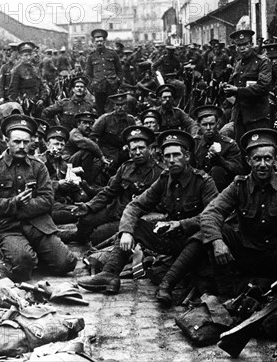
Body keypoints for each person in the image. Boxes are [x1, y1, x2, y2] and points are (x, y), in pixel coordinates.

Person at [78, 130, 218, 305]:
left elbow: (211, 216)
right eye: (167, 156)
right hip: (171, 239)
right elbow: (135, 205)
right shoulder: (164, 178)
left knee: (201, 236)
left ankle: (167, 286)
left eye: (176, 155)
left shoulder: (204, 181)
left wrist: (181, 224)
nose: (171, 160)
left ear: (187, 156)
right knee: (135, 226)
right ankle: (110, 274)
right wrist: (127, 231)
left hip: (194, 243)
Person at [200, 128, 277, 283]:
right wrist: (217, 241)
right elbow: (211, 213)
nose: (263, 164)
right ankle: (228, 287)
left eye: (268, 158)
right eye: (257, 159)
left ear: (275, 160)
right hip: (248, 255)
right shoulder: (239, 186)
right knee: (216, 232)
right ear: (248, 160)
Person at [0, 115, 77, 282]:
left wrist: (19, 209)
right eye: (16, 142)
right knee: (23, 263)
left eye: (26, 142)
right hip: (8, 228)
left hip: (39, 226)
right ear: (6, 140)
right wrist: (14, 203)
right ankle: (20, 255)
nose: (22, 146)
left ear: (32, 142)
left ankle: (37, 253)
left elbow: (47, 200)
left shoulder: (38, 166)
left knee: (66, 263)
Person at [67, 126, 164, 245]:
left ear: (149, 149)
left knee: (98, 235)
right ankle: (78, 237)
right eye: (134, 149)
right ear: (129, 151)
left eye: (141, 148)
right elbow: (109, 192)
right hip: (115, 209)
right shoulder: (125, 167)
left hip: (135, 217)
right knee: (85, 219)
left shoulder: (161, 172)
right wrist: (89, 206)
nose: (137, 152)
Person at [222, 29, 272, 143]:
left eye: (245, 44)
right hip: (240, 116)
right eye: (239, 45)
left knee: (258, 147)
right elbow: (233, 84)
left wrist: (237, 90)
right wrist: (225, 87)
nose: (242, 48)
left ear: (251, 44)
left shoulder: (262, 62)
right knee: (241, 148)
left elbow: (263, 87)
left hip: (257, 115)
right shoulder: (238, 64)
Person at [191, 105, 243, 191]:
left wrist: (220, 161)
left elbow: (238, 169)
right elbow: (189, 167)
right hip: (198, 186)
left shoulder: (229, 144)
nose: (208, 128)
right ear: (199, 125)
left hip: (223, 189)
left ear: (217, 124)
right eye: (204, 125)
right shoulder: (195, 143)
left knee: (217, 170)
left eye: (211, 124)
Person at [91, 92, 137, 171]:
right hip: (107, 154)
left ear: (126, 105)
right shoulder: (105, 119)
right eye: (117, 105)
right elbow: (92, 136)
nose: (120, 108)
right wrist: (99, 154)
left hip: (124, 154)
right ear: (113, 106)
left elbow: (134, 137)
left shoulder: (130, 120)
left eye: (122, 105)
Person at [86, 29, 123, 114]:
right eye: (97, 41)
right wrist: (92, 85)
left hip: (112, 86)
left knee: (113, 109)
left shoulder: (112, 53)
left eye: (101, 41)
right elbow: (88, 74)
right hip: (98, 87)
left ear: (104, 41)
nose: (99, 43)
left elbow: (119, 70)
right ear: (94, 42)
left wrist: (118, 81)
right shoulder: (91, 56)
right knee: (100, 110)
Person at [9, 42, 47, 116]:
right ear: (20, 56)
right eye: (26, 55)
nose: (29, 57)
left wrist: (42, 99)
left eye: (30, 55)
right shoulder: (16, 70)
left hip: (37, 105)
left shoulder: (35, 69)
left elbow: (42, 86)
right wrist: (17, 107)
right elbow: (13, 92)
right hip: (24, 107)